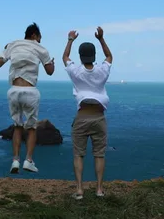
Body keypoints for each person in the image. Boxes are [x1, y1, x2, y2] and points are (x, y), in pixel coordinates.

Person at [0, 22, 55, 174]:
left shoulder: (13, 45)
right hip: (30, 91)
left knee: (17, 126)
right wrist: (52, 63)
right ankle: (28, 160)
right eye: (39, 37)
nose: (40, 41)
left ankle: (15, 160)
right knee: (32, 128)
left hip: (13, 91)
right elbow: (50, 71)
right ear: (34, 35)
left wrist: (6, 51)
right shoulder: (41, 48)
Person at [62, 26, 113, 200]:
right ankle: (99, 190)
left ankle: (79, 190)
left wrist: (70, 40)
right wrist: (101, 39)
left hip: (82, 116)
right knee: (99, 154)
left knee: (78, 154)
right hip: (99, 117)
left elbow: (65, 58)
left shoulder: (76, 71)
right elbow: (109, 57)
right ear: (94, 56)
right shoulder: (102, 70)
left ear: (81, 57)